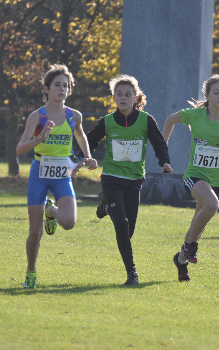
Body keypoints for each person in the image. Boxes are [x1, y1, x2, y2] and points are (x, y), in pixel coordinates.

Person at [79, 74, 173, 285]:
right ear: (113, 98)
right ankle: (132, 274)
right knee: (121, 224)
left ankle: (105, 207)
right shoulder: (108, 121)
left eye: (128, 94)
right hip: (111, 177)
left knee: (128, 231)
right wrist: (84, 156)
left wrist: (164, 162)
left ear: (136, 97)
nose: (123, 98)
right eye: (119, 94)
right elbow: (90, 140)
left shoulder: (146, 120)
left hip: (134, 180)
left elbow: (159, 143)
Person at [162, 74, 219, 282]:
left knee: (197, 224)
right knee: (211, 206)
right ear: (207, 95)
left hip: (217, 179)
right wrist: (163, 151)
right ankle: (191, 247)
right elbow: (170, 120)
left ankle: (181, 260)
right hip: (195, 175)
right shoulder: (195, 115)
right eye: (217, 92)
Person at [16, 64, 98, 289]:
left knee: (69, 222)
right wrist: (39, 138)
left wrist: (88, 156)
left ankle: (50, 211)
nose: (62, 89)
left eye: (66, 86)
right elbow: (20, 149)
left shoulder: (74, 116)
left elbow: (81, 137)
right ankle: (31, 272)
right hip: (39, 173)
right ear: (46, 89)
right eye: (57, 85)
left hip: (63, 174)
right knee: (35, 231)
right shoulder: (37, 116)